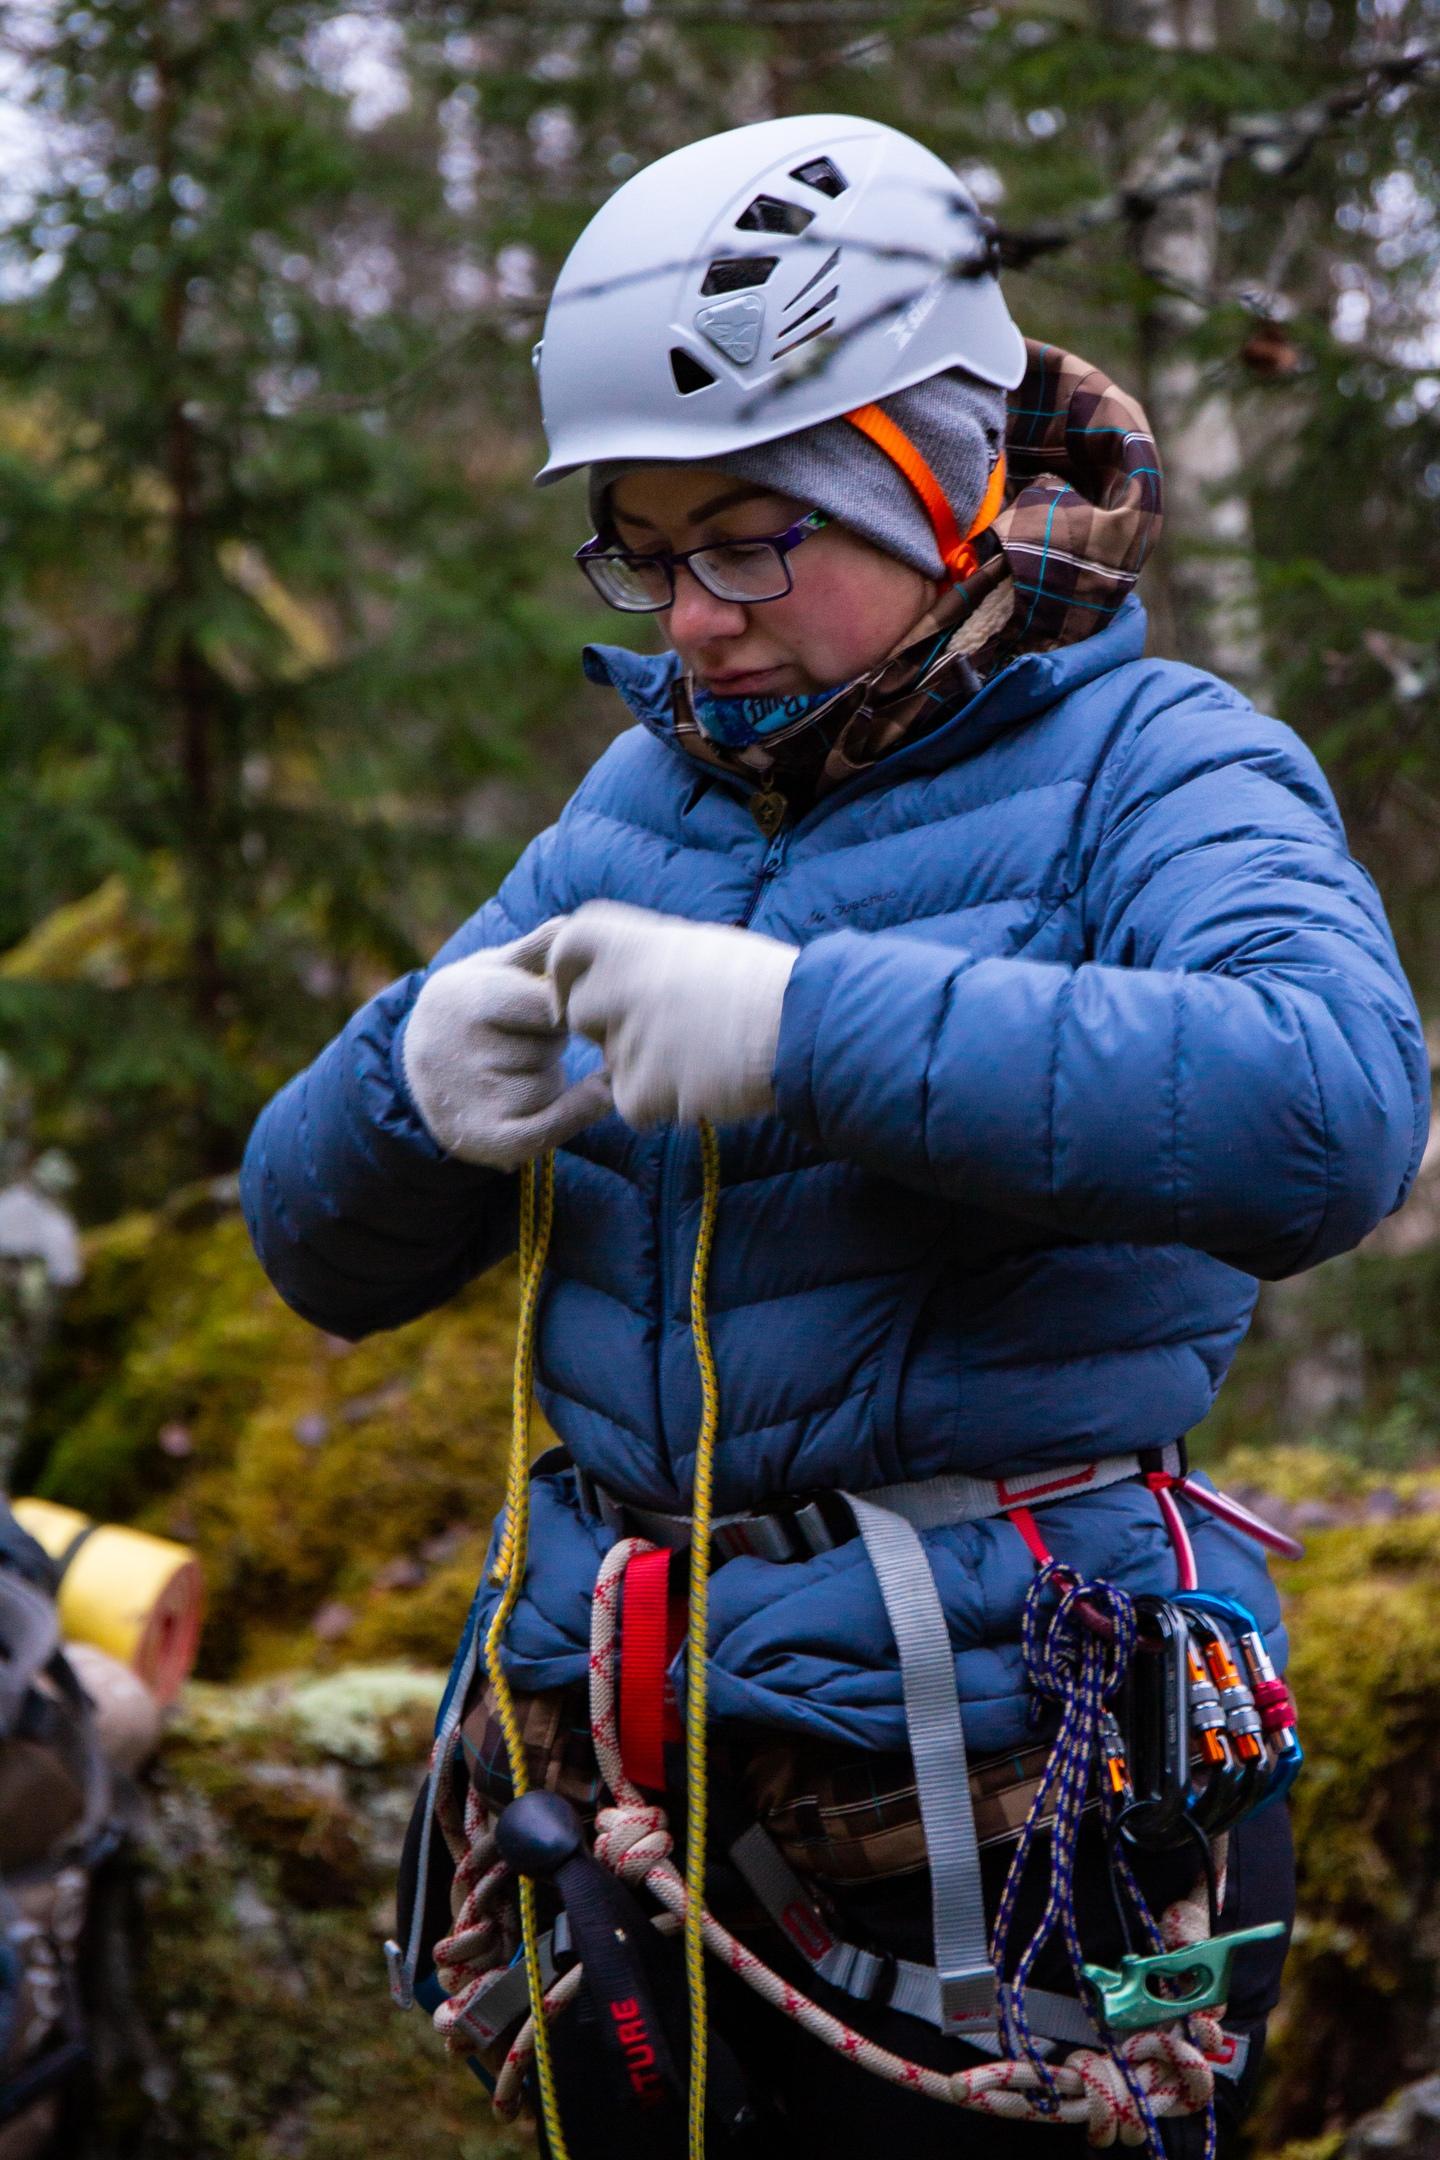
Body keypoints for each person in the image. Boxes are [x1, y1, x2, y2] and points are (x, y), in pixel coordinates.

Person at [240, 114, 1428, 2158]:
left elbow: (1327, 1107)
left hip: (1015, 1812)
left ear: (940, 473)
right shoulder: (630, 812)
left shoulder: (1160, 766)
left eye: (751, 538)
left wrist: (812, 1027)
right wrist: (406, 1092)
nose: (693, 616)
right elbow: (317, 1253)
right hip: (638, 1808)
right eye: (645, 542)